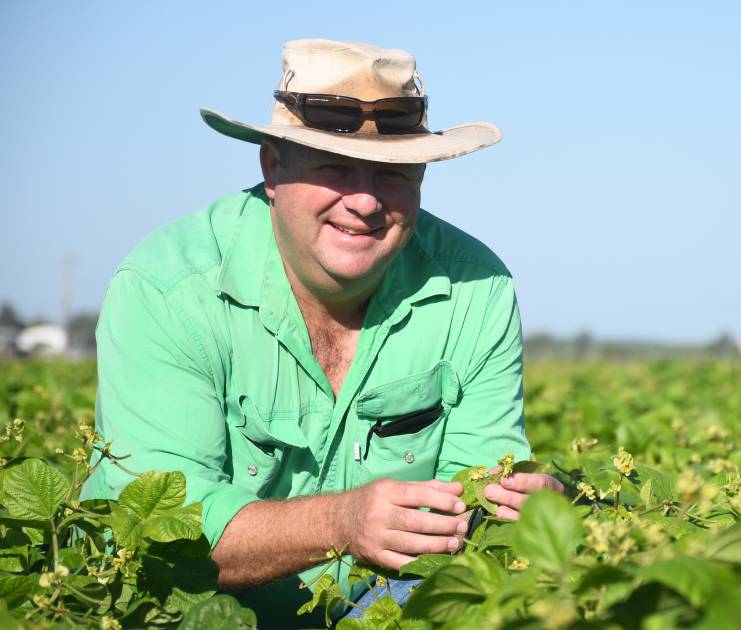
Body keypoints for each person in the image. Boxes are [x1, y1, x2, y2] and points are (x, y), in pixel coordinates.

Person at [81, 38, 563, 621]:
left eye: (392, 172)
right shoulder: (169, 290)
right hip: (207, 610)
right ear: (272, 167)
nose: (364, 201)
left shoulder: (475, 288)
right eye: (334, 167)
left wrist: (517, 510)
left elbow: (476, 485)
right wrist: (339, 523)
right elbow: (157, 532)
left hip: (384, 602)